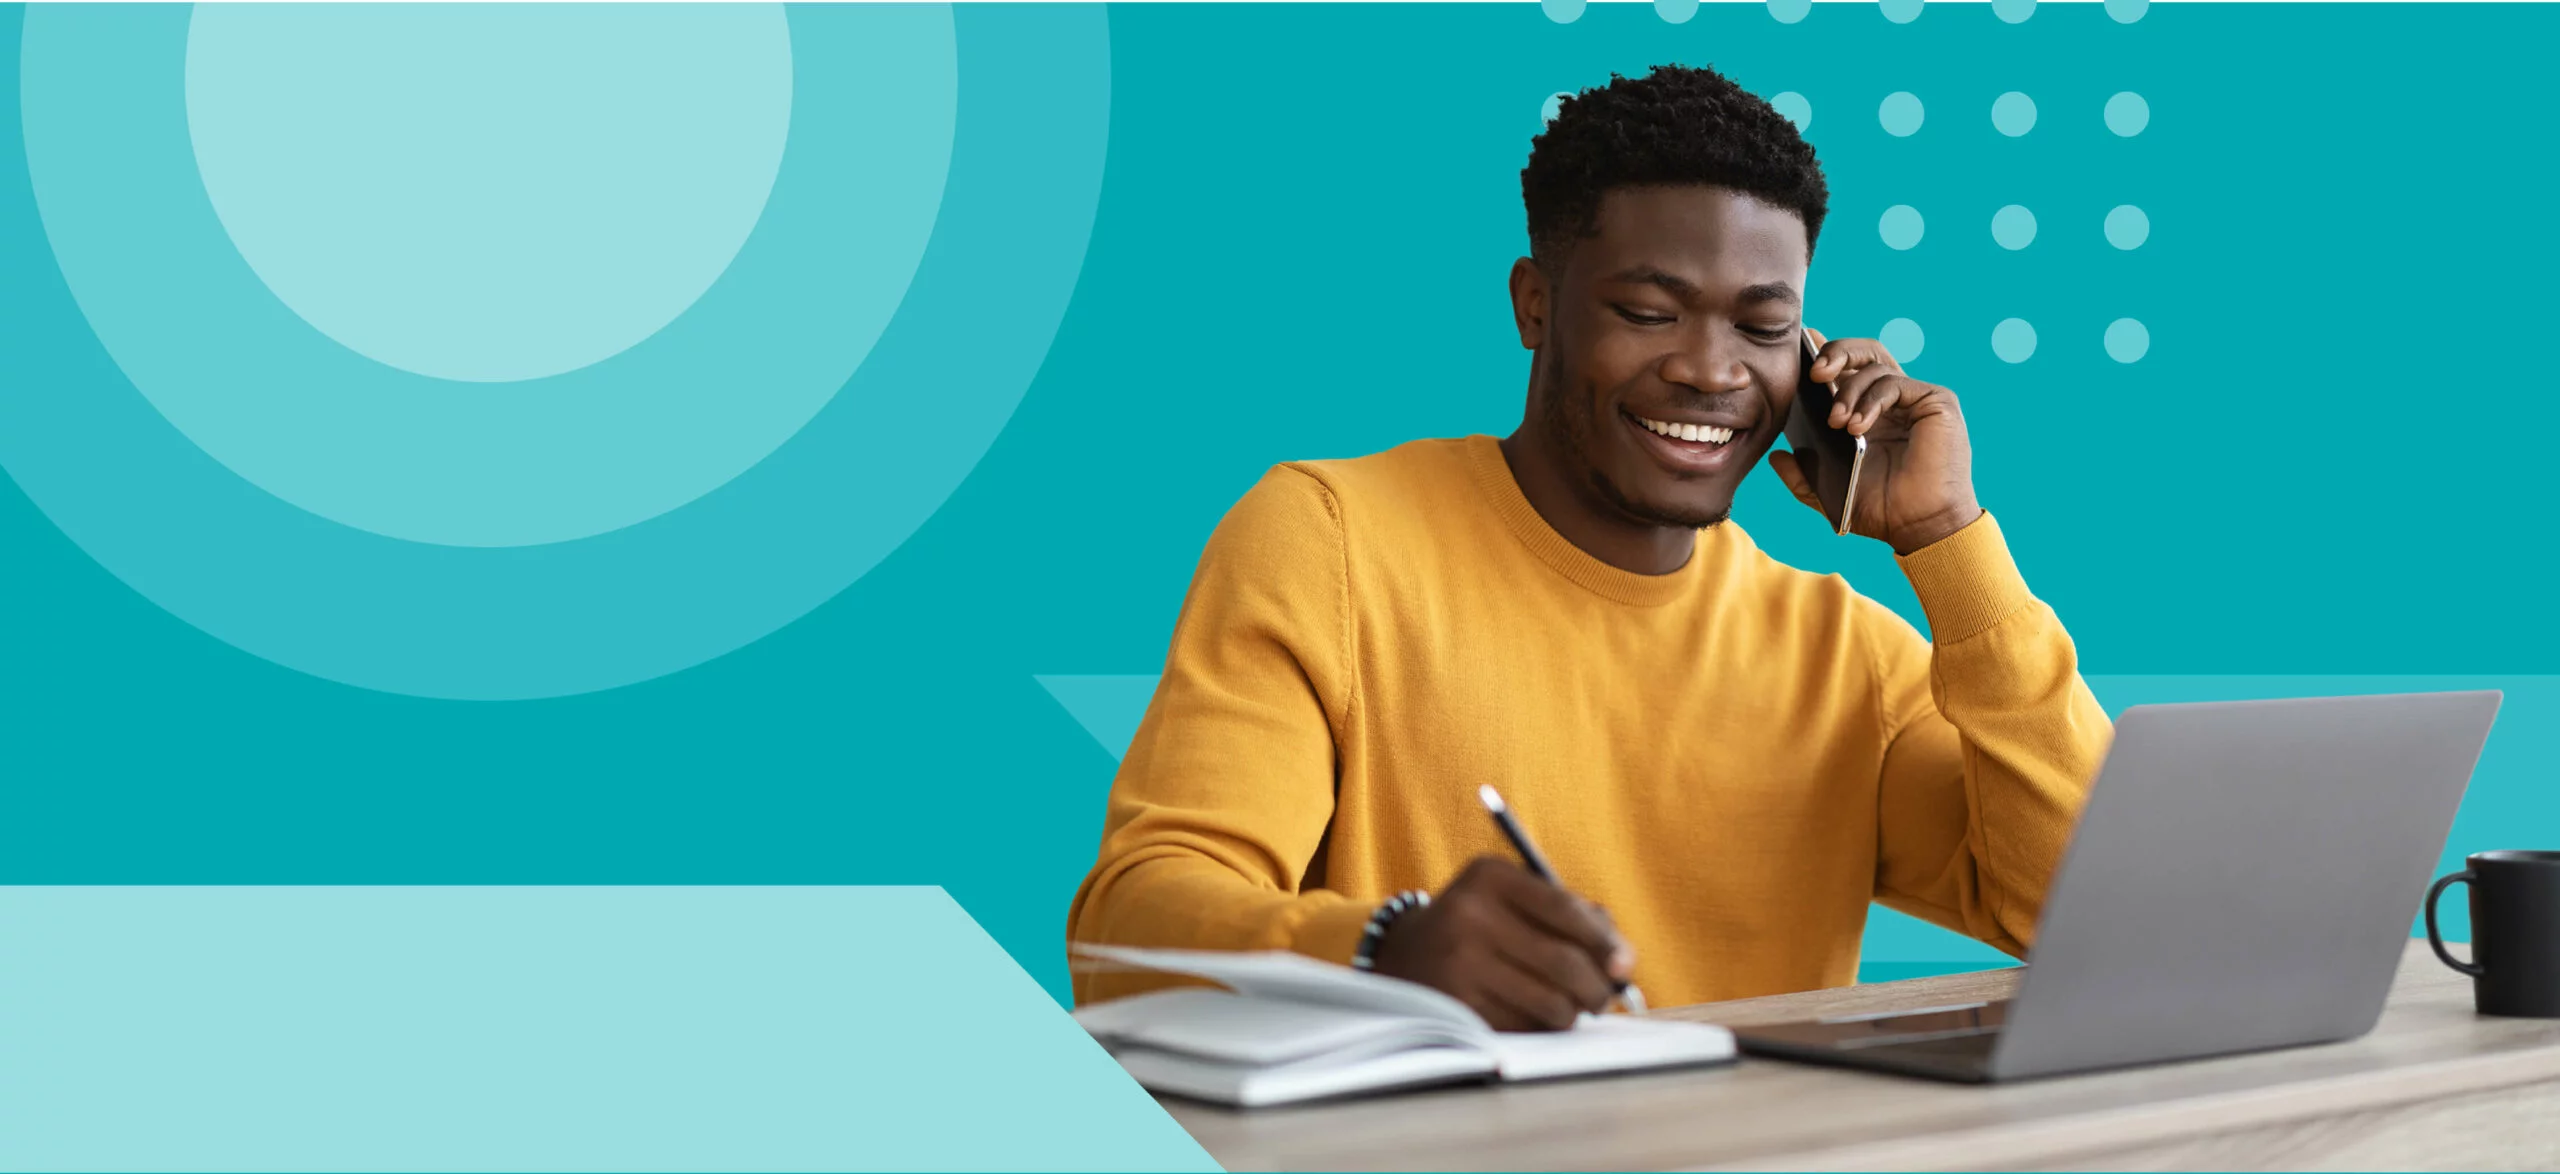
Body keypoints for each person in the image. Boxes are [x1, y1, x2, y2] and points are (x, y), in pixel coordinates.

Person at [1065, 62, 2112, 1029]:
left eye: (1760, 328)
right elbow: (1128, 930)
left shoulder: (1848, 658)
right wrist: (1382, 949)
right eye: (1649, 311)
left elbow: (2088, 915)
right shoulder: (1331, 541)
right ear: (1534, 304)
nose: (1711, 371)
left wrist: (1947, 542)